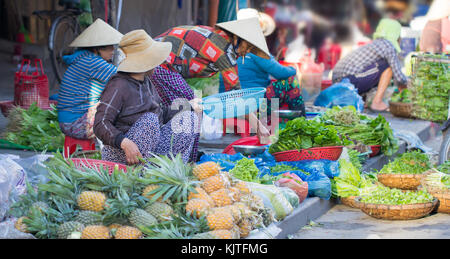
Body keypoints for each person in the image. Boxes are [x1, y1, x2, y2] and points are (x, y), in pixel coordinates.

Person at [151, 17, 273, 160]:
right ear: (238, 38)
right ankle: (184, 159)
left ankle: (174, 154)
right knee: (193, 108)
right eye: (249, 46)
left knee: (173, 111)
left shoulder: (219, 37)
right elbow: (236, 95)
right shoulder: (225, 51)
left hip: (156, 61)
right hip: (159, 64)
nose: (248, 52)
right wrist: (258, 126)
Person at [93, 30, 200, 165]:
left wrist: (188, 106)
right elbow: (100, 123)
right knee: (149, 121)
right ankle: (140, 174)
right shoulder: (118, 85)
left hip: (148, 150)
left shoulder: (146, 81)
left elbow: (161, 114)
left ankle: (167, 172)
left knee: (189, 119)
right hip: (123, 154)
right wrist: (124, 142)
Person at [220, 9, 305, 114]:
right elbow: (280, 73)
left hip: (227, 101)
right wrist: (294, 69)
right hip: (252, 103)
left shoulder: (228, 46)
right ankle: (300, 119)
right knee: (290, 82)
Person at [57, 18, 123, 140]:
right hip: (74, 123)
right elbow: (122, 77)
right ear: (97, 48)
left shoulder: (84, 58)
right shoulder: (91, 62)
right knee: (124, 120)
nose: (113, 51)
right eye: (110, 47)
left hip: (69, 120)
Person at [332, 18, 408, 112]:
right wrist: (410, 85)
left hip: (339, 81)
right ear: (396, 34)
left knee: (381, 68)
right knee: (388, 66)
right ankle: (376, 102)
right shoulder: (388, 45)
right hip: (347, 81)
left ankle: (368, 101)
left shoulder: (376, 44)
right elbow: (399, 78)